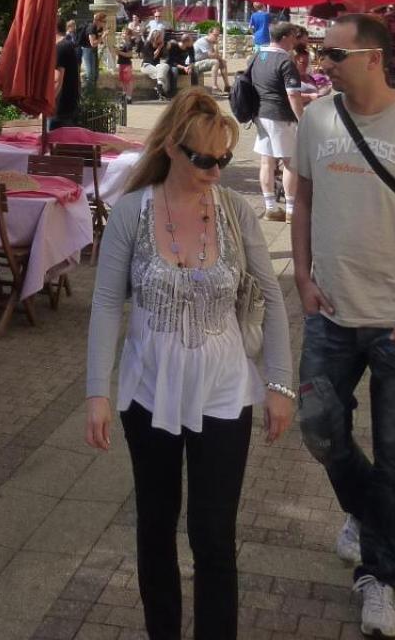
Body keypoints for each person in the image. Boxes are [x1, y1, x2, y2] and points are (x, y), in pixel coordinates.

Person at [85, 88, 294, 640]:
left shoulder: (234, 212)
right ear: (173, 149)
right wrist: (97, 392)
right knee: (155, 528)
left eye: (224, 159)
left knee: (214, 534)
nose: (216, 171)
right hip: (148, 388)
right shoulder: (132, 212)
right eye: (204, 159)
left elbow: (271, 297)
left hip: (225, 388)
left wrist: (280, 384)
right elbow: (107, 302)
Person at [291, 13, 395, 640]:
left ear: (371, 57)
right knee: (316, 426)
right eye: (317, 53)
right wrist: (303, 279)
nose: (321, 65)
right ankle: (367, 513)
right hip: (331, 314)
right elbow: (302, 199)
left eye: (332, 55)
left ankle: (381, 578)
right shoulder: (316, 119)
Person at [249, 21, 307, 222]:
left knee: (267, 161)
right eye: (293, 36)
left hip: (260, 114)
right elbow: (293, 96)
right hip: (282, 116)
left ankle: (271, 207)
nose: (295, 40)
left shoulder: (256, 56)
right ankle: (291, 209)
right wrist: (302, 119)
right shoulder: (285, 62)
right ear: (284, 37)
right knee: (291, 162)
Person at [52, 17, 82, 128]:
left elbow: (56, 81)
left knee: (54, 144)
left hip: (60, 110)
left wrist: (45, 107)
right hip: (68, 107)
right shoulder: (67, 45)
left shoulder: (60, 48)